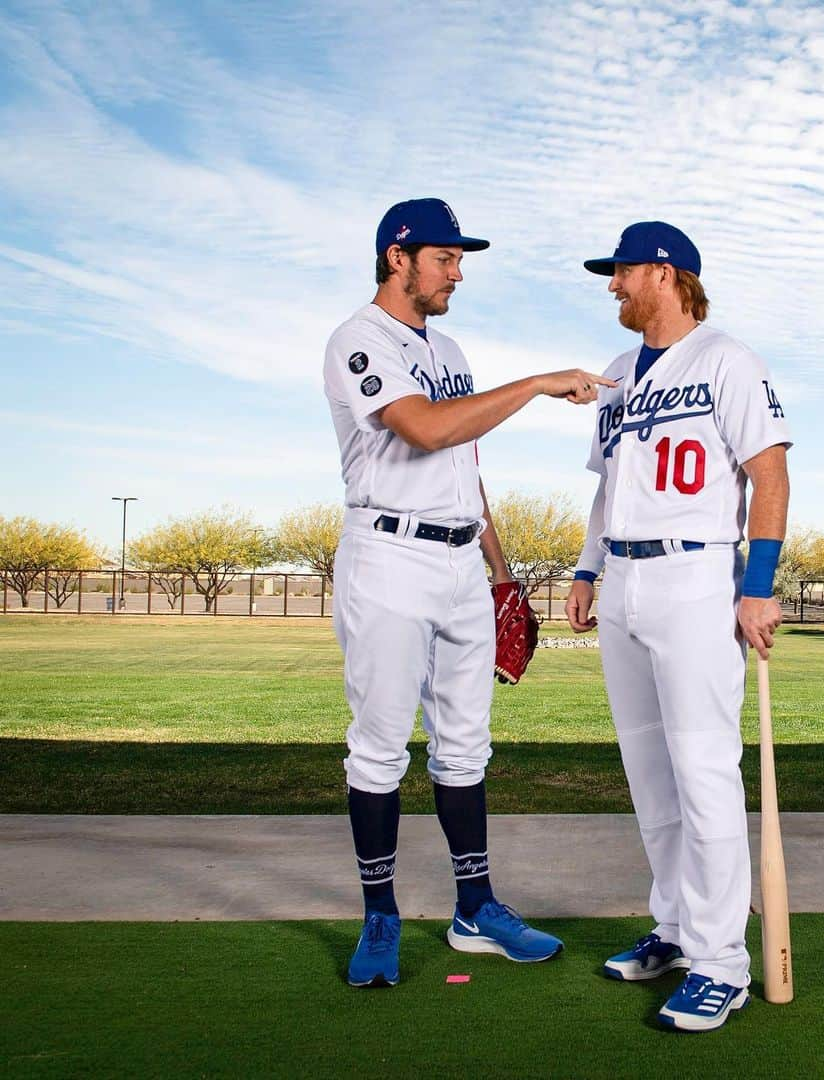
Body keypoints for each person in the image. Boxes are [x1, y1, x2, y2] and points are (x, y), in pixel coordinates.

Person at [325, 197, 613, 987]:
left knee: (465, 744)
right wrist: (539, 383)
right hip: (388, 556)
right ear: (399, 257)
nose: (458, 272)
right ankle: (380, 916)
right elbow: (426, 430)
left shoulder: (446, 345)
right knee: (380, 746)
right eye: (447, 258)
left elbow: (465, 467)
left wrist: (501, 567)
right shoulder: (358, 339)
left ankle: (475, 908)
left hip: (458, 560)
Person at [565, 221, 792, 1032]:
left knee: (702, 772)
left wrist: (756, 587)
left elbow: (769, 472)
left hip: (697, 573)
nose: (613, 286)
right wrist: (588, 568)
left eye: (621, 272)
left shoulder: (729, 359)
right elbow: (607, 486)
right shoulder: (621, 374)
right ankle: (676, 928)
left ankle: (722, 962)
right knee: (649, 773)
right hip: (623, 579)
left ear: (664, 274)